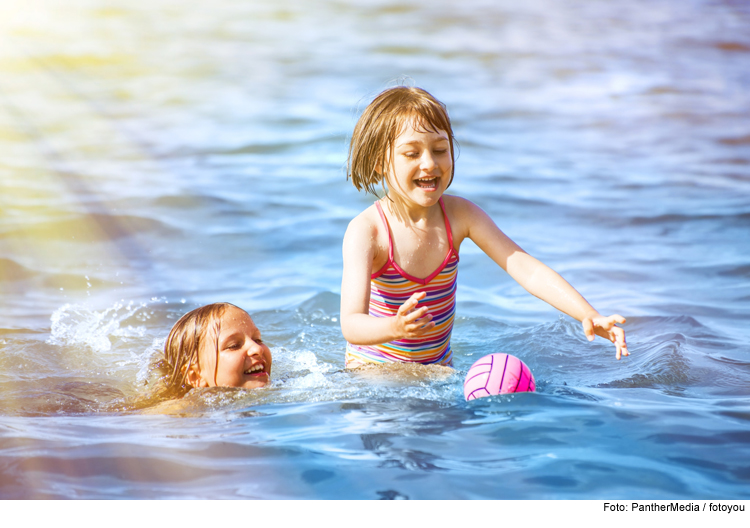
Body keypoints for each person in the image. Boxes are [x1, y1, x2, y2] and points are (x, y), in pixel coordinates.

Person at [340, 86, 628, 368]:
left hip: (438, 369)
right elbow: (351, 324)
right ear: (379, 162)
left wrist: (587, 314)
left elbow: (526, 270)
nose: (429, 163)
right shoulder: (367, 231)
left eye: (440, 149)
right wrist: (395, 327)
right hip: (374, 370)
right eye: (412, 154)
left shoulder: (460, 215)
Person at [154, 302, 272, 399]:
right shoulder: (185, 416)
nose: (257, 349)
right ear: (196, 376)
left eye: (257, 340)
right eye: (234, 345)